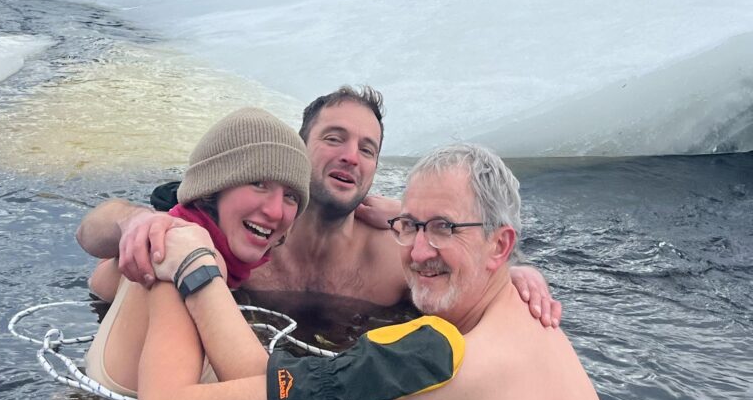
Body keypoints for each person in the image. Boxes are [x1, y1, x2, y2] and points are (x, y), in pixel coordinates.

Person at [141, 144, 609, 400]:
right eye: (411, 226)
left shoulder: (467, 369)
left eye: (444, 227)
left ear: (500, 245)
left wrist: (196, 268)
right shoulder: (514, 309)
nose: (419, 250)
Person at [76, 86, 562, 325]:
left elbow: (458, 263)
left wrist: (508, 274)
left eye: (367, 149)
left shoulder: (391, 255)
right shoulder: (240, 232)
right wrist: (137, 223)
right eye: (334, 138)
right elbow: (95, 241)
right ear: (298, 148)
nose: (351, 155)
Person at [84, 107, 311, 397]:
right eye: (258, 183)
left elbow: (95, 267)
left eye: (290, 196)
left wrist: (131, 221)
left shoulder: (154, 239)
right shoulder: (188, 254)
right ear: (215, 185)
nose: (275, 211)